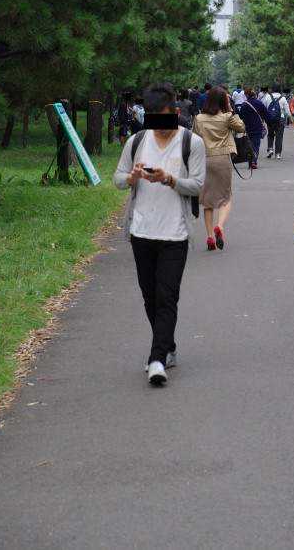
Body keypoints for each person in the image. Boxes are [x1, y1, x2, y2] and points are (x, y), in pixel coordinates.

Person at [114, 82, 206, 385]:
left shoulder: (191, 143)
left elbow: (197, 186)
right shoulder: (138, 141)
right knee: (150, 297)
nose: (160, 127)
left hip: (175, 234)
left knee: (167, 297)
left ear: (175, 113)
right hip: (141, 231)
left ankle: (156, 359)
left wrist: (168, 178)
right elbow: (118, 179)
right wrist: (132, 177)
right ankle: (169, 347)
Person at [192, 86, 245, 250]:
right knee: (226, 197)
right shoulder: (227, 117)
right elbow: (241, 127)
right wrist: (230, 110)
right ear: (223, 101)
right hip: (222, 159)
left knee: (207, 200)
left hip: (204, 159)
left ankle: (209, 237)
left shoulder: (199, 118)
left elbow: (194, 138)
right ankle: (219, 227)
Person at [239, 87, 270, 168]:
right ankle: (254, 161)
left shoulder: (244, 104)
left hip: (248, 128)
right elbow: (266, 115)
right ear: (254, 94)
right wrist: (270, 125)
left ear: (246, 95)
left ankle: (250, 160)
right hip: (257, 128)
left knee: (249, 145)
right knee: (256, 145)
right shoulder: (260, 103)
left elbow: (240, 117)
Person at [266, 84, 291, 159]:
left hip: (270, 119)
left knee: (270, 134)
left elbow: (263, 108)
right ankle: (278, 154)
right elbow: (287, 111)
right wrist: (291, 118)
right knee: (279, 136)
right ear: (280, 90)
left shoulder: (267, 97)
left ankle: (270, 149)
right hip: (280, 119)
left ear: (272, 89)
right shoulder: (283, 98)